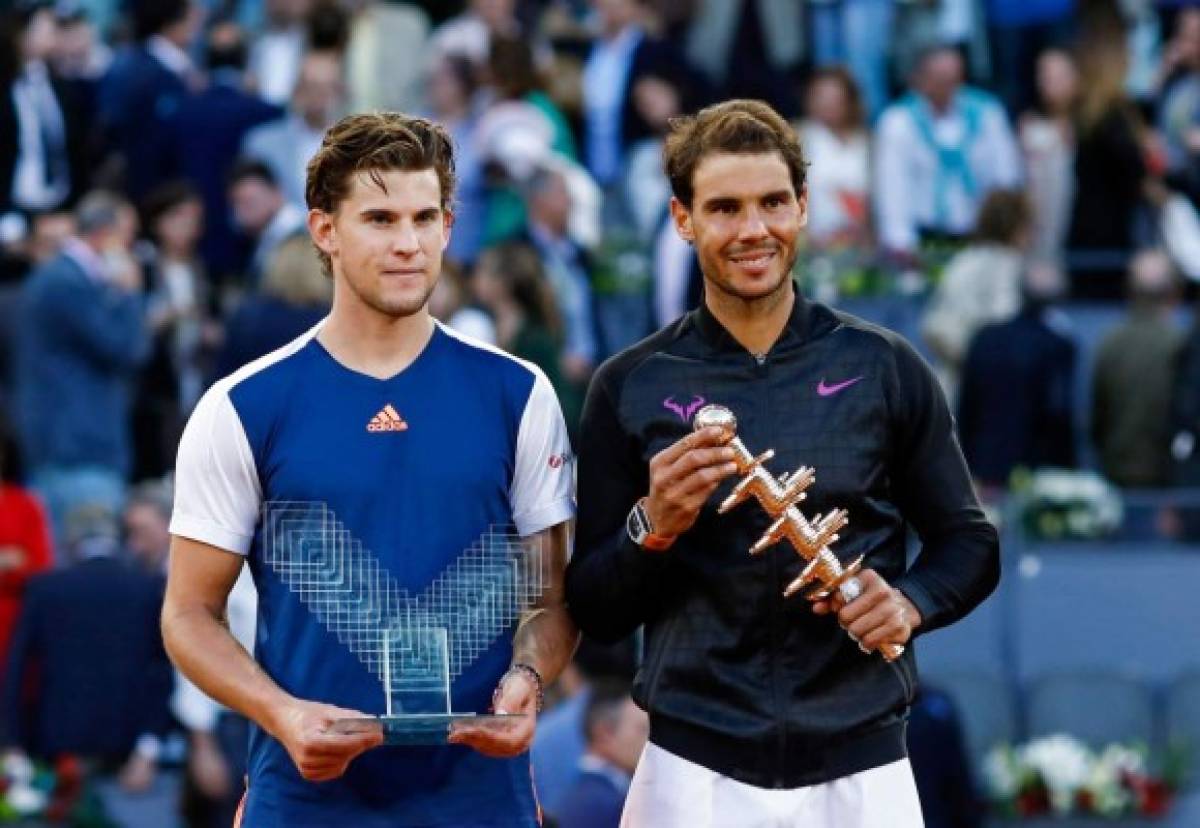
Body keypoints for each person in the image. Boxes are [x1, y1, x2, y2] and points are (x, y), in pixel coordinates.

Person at [566, 99, 1000, 827]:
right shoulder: (631, 384)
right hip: (692, 766)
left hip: (864, 762)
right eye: (725, 207)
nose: (753, 229)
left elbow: (970, 543)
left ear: (802, 208)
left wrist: (909, 601)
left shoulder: (882, 365)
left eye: (772, 202)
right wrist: (654, 525)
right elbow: (596, 608)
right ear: (683, 219)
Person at [162, 112, 578, 825]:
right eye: (380, 219)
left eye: (425, 217)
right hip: (304, 793)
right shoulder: (244, 406)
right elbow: (189, 614)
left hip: (481, 795)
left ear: (450, 225)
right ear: (325, 230)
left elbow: (551, 596)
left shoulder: (518, 393)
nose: (409, 243)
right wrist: (282, 713)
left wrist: (529, 677)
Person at [14, 190, 149, 555]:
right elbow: (126, 347)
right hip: (79, 452)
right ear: (106, 235)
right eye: (128, 237)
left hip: (67, 449)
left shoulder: (61, 278)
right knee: (88, 570)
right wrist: (129, 293)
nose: (132, 249)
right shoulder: (66, 282)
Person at [875, 44, 1021, 258]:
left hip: (981, 236)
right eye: (939, 79)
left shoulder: (988, 113)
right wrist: (900, 242)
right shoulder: (898, 121)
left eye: (953, 79)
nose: (947, 86)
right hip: (925, 237)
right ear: (920, 79)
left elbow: (1006, 175)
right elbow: (893, 186)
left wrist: (1004, 232)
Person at [957, 261, 1077, 492]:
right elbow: (1060, 412)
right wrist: (1068, 470)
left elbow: (966, 407)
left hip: (985, 470)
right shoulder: (1058, 345)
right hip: (1037, 476)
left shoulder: (985, 338)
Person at [920, 188, 1032, 402]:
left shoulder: (963, 261)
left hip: (953, 390)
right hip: (982, 394)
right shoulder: (1006, 265)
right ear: (1016, 226)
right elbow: (1004, 330)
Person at [1091, 249, 1184, 488]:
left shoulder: (1109, 343)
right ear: (1174, 293)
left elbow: (1097, 419)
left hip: (1116, 473)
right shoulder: (1182, 346)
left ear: (1129, 292)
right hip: (1172, 484)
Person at [554, 679, 648, 828]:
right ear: (605, 733)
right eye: (642, 730)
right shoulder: (607, 804)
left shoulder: (586, 793)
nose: (648, 742)